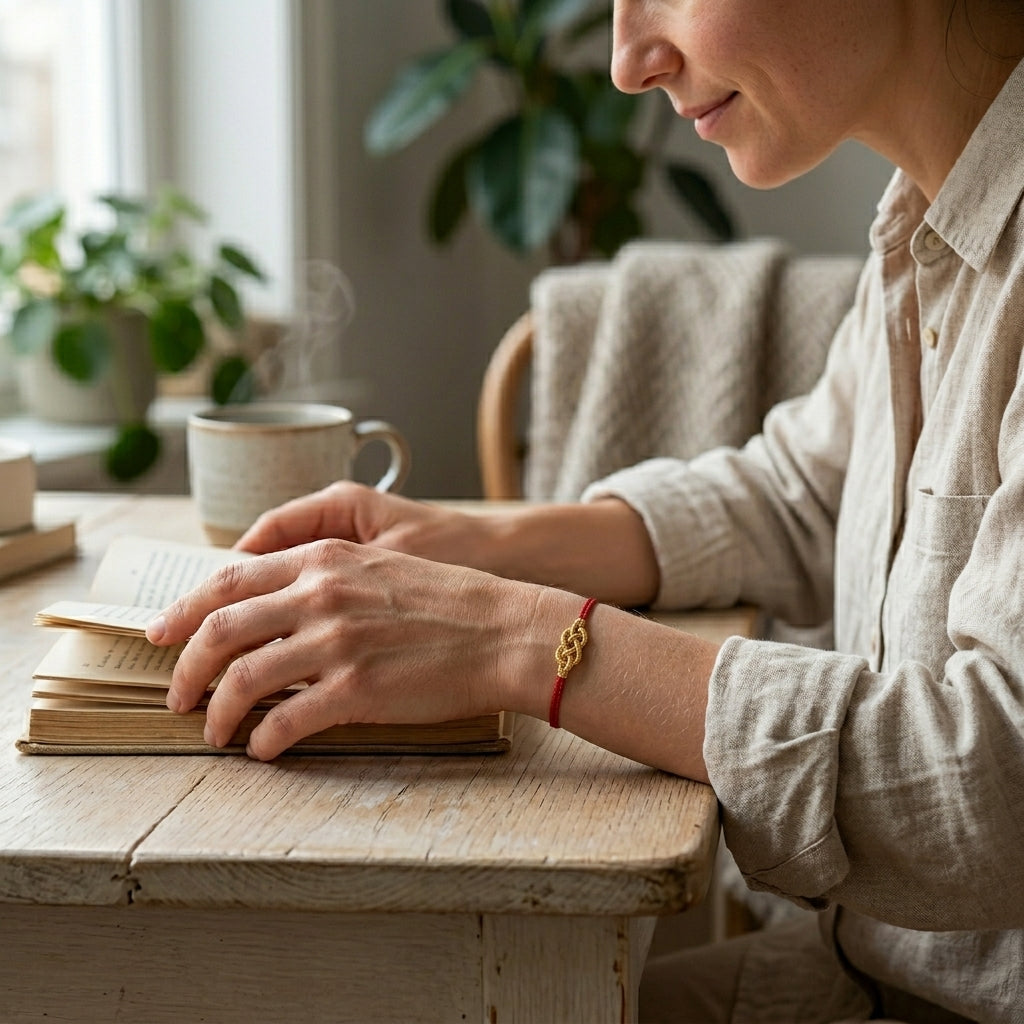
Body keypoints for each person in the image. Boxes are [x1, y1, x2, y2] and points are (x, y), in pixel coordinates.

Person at [145, 1, 1024, 1020]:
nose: (626, 62)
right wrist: (480, 542)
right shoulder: (928, 213)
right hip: (853, 975)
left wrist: (517, 639)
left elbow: (994, 780)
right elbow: (804, 490)